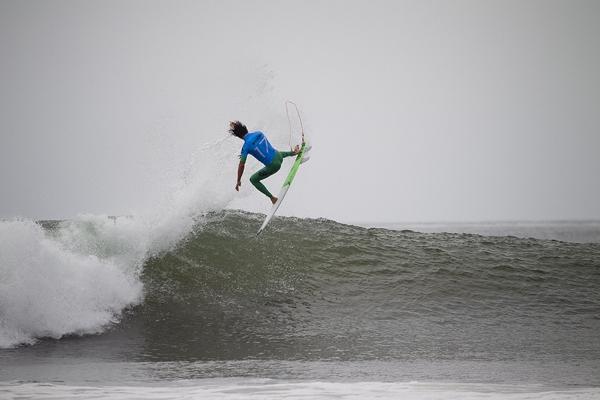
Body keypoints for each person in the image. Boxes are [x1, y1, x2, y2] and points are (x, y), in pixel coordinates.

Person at [230, 121, 299, 204]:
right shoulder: (259, 133)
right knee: (273, 152)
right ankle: (293, 153)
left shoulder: (246, 147)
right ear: (246, 128)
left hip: (273, 166)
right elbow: (268, 152)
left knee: (253, 179)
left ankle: (272, 198)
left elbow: (241, 165)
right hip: (279, 156)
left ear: (238, 136)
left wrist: (238, 180)